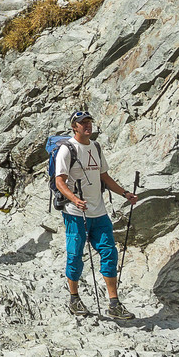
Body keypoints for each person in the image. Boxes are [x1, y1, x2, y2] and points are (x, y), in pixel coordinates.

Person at [53, 109, 138, 319]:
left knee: (110, 253)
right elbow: (59, 181)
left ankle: (114, 303)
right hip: (75, 213)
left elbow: (104, 177)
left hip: (99, 213)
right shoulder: (67, 150)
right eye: (83, 123)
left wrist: (125, 193)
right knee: (75, 256)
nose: (87, 125)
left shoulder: (96, 147)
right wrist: (74, 199)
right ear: (74, 127)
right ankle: (74, 298)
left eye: (89, 122)